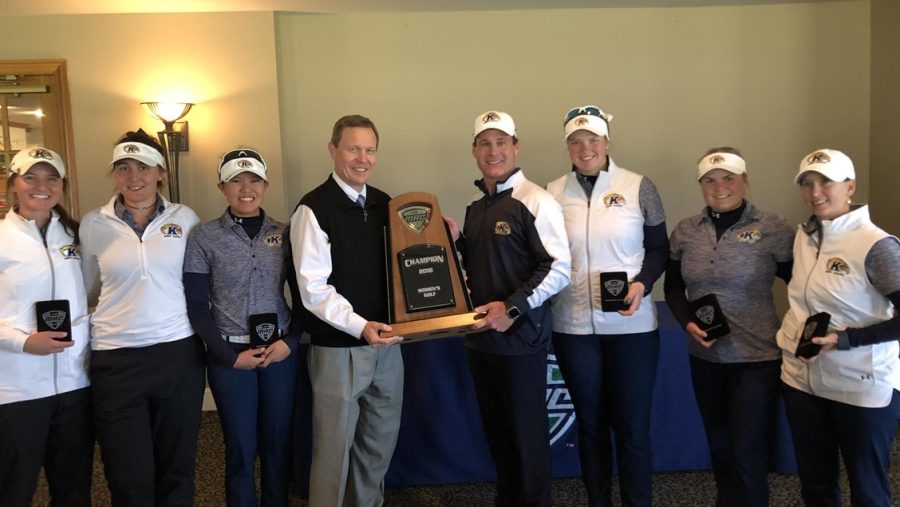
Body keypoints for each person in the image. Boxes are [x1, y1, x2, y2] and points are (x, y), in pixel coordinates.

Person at [446, 110, 571, 506]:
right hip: (481, 341)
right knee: (500, 441)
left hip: (520, 343)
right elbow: (487, 263)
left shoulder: (535, 200)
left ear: (516, 147)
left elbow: (558, 268)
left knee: (527, 444)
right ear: (474, 150)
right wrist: (457, 242)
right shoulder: (476, 207)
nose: (493, 150)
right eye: (485, 143)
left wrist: (511, 309)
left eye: (501, 142)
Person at [545, 105, 667, 507]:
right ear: (567, 147)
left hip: (632, 330)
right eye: (576, 141)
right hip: (574, 328)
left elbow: (658, 248)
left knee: (631, 427)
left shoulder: (638, 186)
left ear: (607, 143)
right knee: (592, 426)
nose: (585, 148)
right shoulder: (552, 192)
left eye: (593, 140)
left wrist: (643, 284)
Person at [80, 129, 205, 505]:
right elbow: (87, 290)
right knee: (128, 473)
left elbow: (197, 284)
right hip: (117, 361)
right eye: (124, 168)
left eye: (144, 167)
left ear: (161, 173)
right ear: (114, 174)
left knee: (177, 467)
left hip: (177, 356)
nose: (134, 177)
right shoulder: (93, 224)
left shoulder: (186, 219)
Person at [664, 148, 794, 507]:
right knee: (719, 443)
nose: (719, 187)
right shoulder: (687, 231)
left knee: (747, 448)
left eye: (728, 178)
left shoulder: (773, 228)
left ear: (744, 181)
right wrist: (686, 321)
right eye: (709, 179)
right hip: (705, 355)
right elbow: (674, 287)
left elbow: (801, 285)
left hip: (756, 356)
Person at [289, 114, 403, 506]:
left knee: (377, 450)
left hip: (387, 347)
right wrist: (360, 326)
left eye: (370, 150)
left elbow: (408, 269)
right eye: (353, 148)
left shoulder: (386, 204)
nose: (362, 158)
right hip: (338, 352)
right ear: (333, 149)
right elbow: (313, 289)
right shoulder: (313, 209)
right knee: (333, 455)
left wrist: (444, 239)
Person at [777, 148, 900, 507]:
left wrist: (846, 340)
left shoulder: (876, 245)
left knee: (868, 489)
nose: (816, 192)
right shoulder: (804, 236)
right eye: (808, 183)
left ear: (850, 186)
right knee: (815, 485)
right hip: (802, 379)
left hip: (859, 385)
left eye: (826, 182)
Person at [184, 148, 299, 506]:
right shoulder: (203, 237)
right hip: (230, 356)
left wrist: (291, 342)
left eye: (253, 179)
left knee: (277, 446)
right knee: (239, 449)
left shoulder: (285, 233)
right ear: (222, 186)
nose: (245, 188)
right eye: (236, 180)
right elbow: (196, 307)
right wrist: (228, 357)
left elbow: (304, 298)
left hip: (279, 352)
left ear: (265, 184)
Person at [0, 148, 92, 507]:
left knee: (74, 488)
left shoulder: (74, 235)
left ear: (62, 186)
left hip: (74, 385)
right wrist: (24, 342)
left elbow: (93, 294)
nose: (42, 186)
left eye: (51, 178)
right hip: (18, 389)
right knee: (15, 487)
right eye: (30, 177)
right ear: (13, 184)